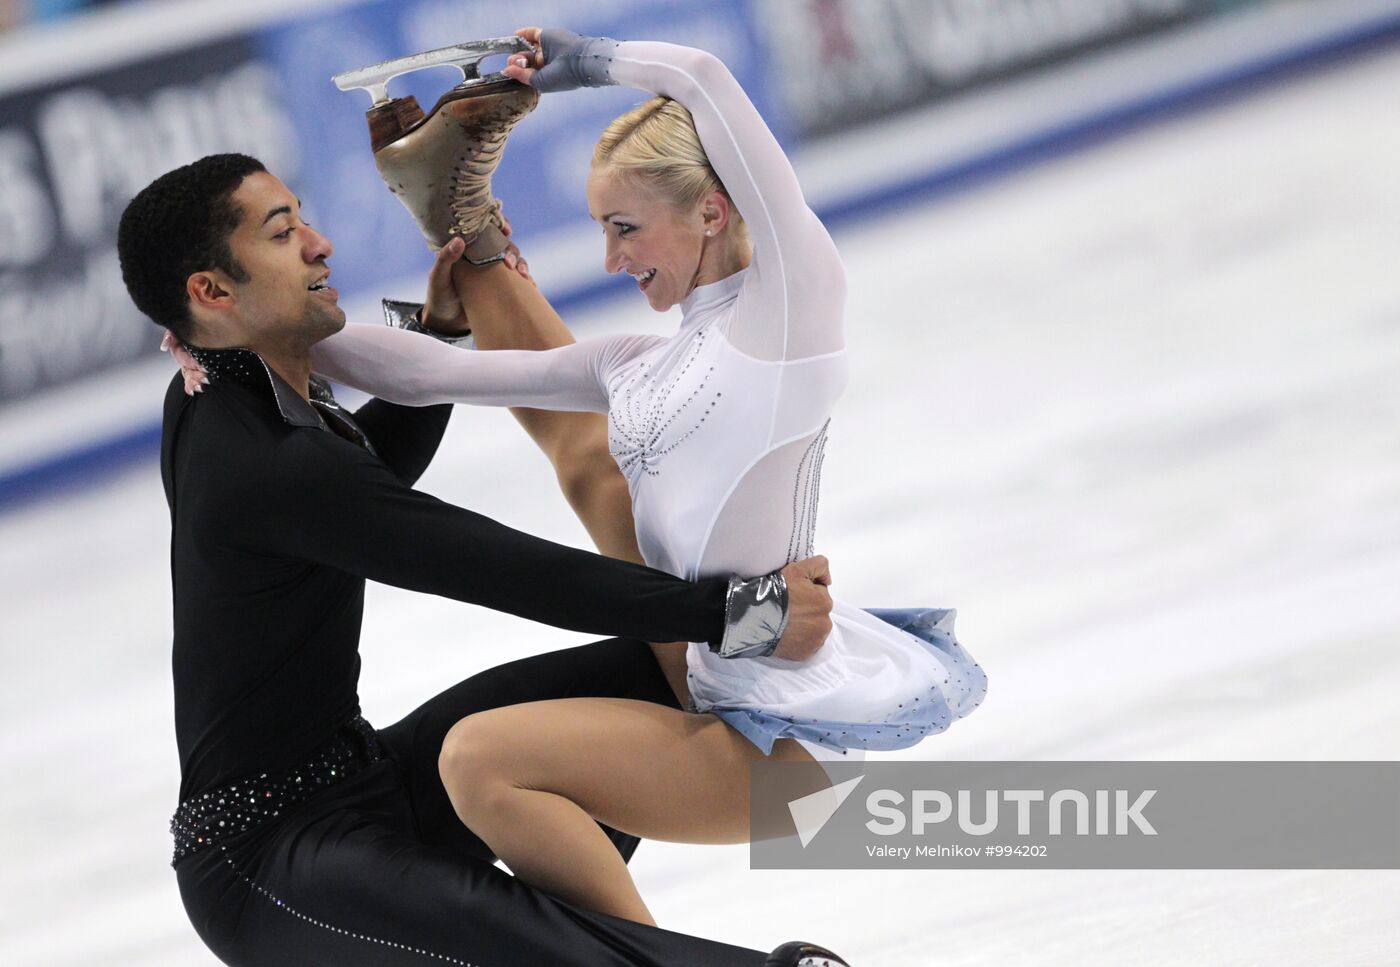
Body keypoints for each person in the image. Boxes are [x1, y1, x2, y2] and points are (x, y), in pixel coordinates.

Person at [254, 27, 989, 928]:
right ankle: (460, 218)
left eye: (626, 227)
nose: (610, 259)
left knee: (480, 755)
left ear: (712, 212)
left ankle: (646, 962)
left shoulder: (791, 311)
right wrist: (262, 318)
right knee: (595, 471)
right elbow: (418, 374)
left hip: (783, 735)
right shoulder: (635, 362)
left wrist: (587, 62)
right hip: (711, 674)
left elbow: (704, 76)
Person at [120, 151, 847, 966]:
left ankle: (836, 815)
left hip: (371, 779)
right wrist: (744, 614)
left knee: (651, 673)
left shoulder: (217, 383)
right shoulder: (261, 461)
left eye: (303, 217)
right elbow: (505, 570)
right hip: (272, 863)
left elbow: (363, 478)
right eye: (284, 233)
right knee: (529, 940)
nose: (320, 244)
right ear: (211, 293)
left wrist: (435, 335)